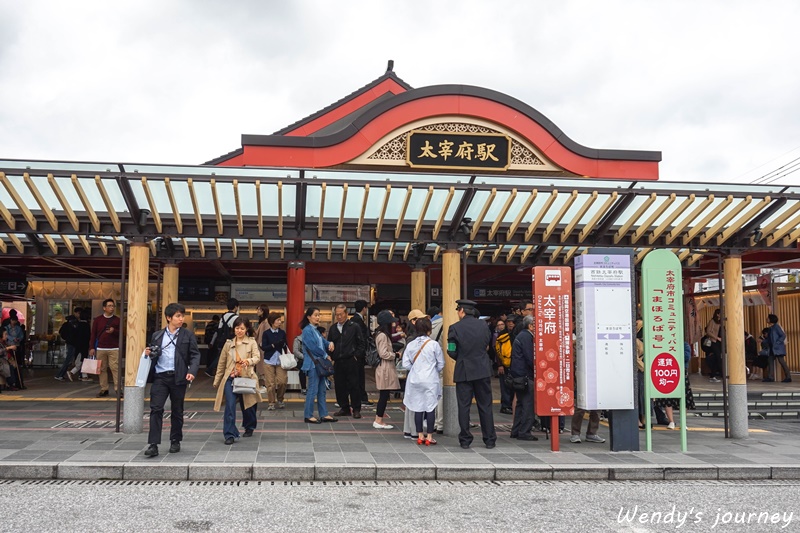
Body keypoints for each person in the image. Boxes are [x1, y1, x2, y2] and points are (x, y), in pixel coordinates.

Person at [143, 303, 201, 457]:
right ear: (169, 318)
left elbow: (195, 355)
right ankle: (153, 444)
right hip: (160, 377)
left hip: (179, 377)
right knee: (156, 409)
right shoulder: (157, 335)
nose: (181, 319)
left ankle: (175, 440)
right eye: (178, 316)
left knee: (177, 410)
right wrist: (149, 352)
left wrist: (192, 371)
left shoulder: (187, 335)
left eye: (182, 316)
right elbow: (154, 354)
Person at [447, 299, 496, 449]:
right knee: (485, 405)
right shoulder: (484, 326)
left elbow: (451, 350)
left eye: (457, 311)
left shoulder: (454, 328)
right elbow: (488, 344)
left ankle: (465, 439)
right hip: (482, 369)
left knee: (464, 406)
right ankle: (489, 439)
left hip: (464, 371)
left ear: (461, 311)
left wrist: (461, 358)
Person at [212, 317, 262, 444]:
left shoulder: (251, 342)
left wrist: (248, 361)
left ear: (247, 329)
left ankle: (249, 426)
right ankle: (229, 434)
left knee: (248, 405)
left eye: (242, 328)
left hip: (246, 378)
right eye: (237, 328)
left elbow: (257, 357)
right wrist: (217, 380)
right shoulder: (228, 344)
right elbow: (221, 363)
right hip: (230, 378)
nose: (239, 331)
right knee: (230, 405)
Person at [402, 316, 445, 445]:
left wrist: (415, 369)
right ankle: (430, 437)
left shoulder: (411, 345)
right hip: (430, 380)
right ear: (429, 330)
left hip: (415, 380)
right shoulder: (434, 344)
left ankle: (420, 435)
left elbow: (405, 364)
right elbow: (441, 363)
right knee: (430, 407)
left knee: (418, 407)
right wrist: (433, 370)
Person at [299, 307, 337, 424]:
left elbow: (323, 342)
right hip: (313, 364)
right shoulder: (307, 330)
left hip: (319, 364)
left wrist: (330, 343)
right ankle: (308, 415)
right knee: (313, 390)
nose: (318, 317)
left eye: (318, 315)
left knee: (322, 390)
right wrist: (325, 355)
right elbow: (312, 347)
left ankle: (324, 414)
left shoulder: (315, 330)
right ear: (308, 317)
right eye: (315, 315)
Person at [328, 304, 365, 419]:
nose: (338, 317)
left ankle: (356, 409)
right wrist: (330, 356)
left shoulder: (354, 326)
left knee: (354, 385)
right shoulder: (333, 328)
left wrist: (356, 356)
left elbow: (361, 344)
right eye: (337, 315)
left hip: (351, 360)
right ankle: (344, 407)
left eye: (341, 314)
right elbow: (329, 343)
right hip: (338, 361)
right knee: (340, 385)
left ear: (346, 314)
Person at [509, 315, 537, 441]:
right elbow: (530, 357)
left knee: (521, 403)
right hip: (525, 376)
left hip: (518, 375)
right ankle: (524, 431)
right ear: (530, 326)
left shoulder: (521, 335)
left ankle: (516, 430)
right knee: (527, 404)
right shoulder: (526, 337)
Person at [373, 310, 400, 430]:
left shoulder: (380, 334)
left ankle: (379, 419)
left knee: (384, 395)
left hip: (384, 367)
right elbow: (383, 353)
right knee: (383, 395)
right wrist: (395, 355)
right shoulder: (383, 335)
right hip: (385, 368)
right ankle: (378, 420)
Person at [402, 309, 427, 438]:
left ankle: (410, 429)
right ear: (413, 321)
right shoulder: (414, 339)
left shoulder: (411, 337)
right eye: (420, 319)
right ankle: (413, 430)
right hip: (416, 374)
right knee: (415, 403)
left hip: (413, 374)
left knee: (412, 402)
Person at [88, 299, 121, 397]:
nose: (112, 308)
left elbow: (122, 333)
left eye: (113, 306)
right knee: (101, 369)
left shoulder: (117, 320)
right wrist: (92, 347)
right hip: (100, 347)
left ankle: (118, 388)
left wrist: (113, 331)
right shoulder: (98, 320)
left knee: (115, 368)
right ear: (104, 308)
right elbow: (93, 334)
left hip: (114, 347)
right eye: (109, 306)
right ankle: (104, 388)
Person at [260, 312, 289, 410]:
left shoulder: (282, 333)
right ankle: (271, 402)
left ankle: (280, 399)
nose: (280, 322)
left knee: (282, 381)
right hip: (269, 360)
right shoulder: (266, 333)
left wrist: (283, 344)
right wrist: (274, 345)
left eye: (280, 320)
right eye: (278, 320)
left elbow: (285, 345)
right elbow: (264, 347)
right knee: (270, 384)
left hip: (280, 360)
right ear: (272, 322)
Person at [206, 298, 239, 378]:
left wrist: (213, 342)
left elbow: (218, 331)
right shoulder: (236, 318)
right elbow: (237, 331)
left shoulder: (223, 317)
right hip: (231, 342)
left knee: (221, 357)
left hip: (221, 342)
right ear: (236, 307)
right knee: (230, 358)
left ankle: (213, 370)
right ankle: (226, 373)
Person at [350, 299, 373, 406]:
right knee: (358, 376)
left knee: (356, 376)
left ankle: (359, 397)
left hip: (355, 353)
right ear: (364, 308)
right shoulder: (358, 321)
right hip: (358, 354)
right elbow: (362, 338)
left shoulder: (353, 320)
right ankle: (361, 397)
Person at [55, 307, 81, 381]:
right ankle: (59, 375)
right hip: (72, 343)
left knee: (71, 359)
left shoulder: (68, 322)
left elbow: (61, 332)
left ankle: (60, 375)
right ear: (75, 313)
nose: (79, 315)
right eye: (79, 313)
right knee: (69, 359)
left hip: (69, 342)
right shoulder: (74, 322)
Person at [765, 314, 791, 383]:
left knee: (781, 361)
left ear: (771, 319)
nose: (766, 319)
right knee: (770, 361)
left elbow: (783, 335)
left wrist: (777, 343)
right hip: (772, 348)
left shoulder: (776, 327)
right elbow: (769, 339)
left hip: (777, 348)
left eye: (768, 318)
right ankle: (770, 377)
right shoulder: (771, 328)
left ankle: (788, 377)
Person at [494, 320, 513, 415]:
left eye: (512, 322)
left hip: (513, 364)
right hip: (504, 364)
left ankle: (509, 405)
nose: (510, 324)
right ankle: (505, 406)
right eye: (508, 322)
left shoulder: (515, 333)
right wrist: (499, 365)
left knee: (511, 386)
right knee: (505, 386)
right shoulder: (502, 335)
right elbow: (497, 351)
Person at [253, 305, 270, 393]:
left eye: (259, 309)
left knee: (263, 367)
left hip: (262, 348)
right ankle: (264, 385)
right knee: (261, 367)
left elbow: (266, 334)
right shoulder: (263, 322)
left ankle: (265, 385)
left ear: (263, 311)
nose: (257, 311)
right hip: (261, 347)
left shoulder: (265, 322)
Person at [705, 309, 723, 382]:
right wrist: (717, 338)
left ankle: (713, 376)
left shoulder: (720, 322)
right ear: (717, 314)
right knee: (718, 357)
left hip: (719, 342)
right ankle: (722, 373)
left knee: (716, 358)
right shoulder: (712, 321)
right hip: (714, 341)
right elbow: (708, 331)